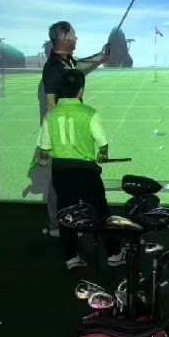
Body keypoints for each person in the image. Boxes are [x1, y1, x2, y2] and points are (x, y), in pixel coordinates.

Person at [37, 68, 124, 271]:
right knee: (100, 212)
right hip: (86, 172)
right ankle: (113, 254)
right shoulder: (90, 113)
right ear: (81, 90)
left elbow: (45, 148)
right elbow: (102, 143)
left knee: (66, 213)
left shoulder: (51, 115)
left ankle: (71, 257)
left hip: (61, 172)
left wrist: (43, 160)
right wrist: (103, 155)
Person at [39, 22, 110, 236]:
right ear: (64, 38)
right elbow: (51, 106)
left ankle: (71, 222)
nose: (76, 39)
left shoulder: (66, 60)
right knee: (61, 181)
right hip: (63, 132)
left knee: (67, 180)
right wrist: (64, 133)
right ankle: (57, 225)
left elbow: (79, 67)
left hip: (68, 128)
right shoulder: (53, 68)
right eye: (74, 35)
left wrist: (101, 56)